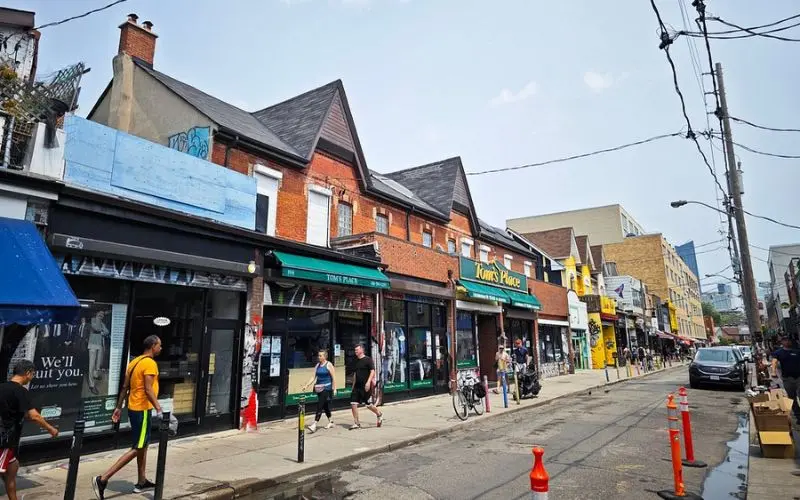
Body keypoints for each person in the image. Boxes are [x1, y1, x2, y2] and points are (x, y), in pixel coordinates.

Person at [92, 335, 162, 500]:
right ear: (152, 346)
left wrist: (118, 407)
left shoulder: (134, 362)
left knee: (142, 445)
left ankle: (141, 480)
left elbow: (125, 386)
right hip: (143, 408)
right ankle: (102, 479)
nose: (161, 348)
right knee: (138, 446)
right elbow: (148, 389)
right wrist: (159, 408)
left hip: (133, 407)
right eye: (159, 345)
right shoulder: (150, 363)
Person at [0, 360, 59, 500]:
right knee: (8, 470)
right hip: (4, 440)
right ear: (28, 373)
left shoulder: (1, 387)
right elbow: (35, 416)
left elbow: (22, 411)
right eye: (33, 374)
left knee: (12, 467)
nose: (32, 377)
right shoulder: (21, 391)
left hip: (6, 440)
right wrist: (51, 429)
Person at [301, 350, 337, 433]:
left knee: (320, 405)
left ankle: (314, 424)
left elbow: (334, 377)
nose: (319, 357)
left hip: (326, 388)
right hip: (319, 388)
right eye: (318, 355)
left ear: (325, 357)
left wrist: (334, 388)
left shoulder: (329, 365)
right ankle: (331, 422)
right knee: (325, 406)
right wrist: (306, 385)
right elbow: (313, 377)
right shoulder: (317, 365)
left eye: (321, 356)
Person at [349, 345, 382, 430]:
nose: (355, 351)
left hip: (365, 386)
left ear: (362, 350)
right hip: (357, 386)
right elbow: (355, 374)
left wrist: (368, 382)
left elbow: (372, 371)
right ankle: (357, 423)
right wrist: (353, 386)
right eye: (355, 350)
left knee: (368, 405)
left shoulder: (368, 360)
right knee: (353, 403)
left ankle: (378, 414)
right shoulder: (356, 361)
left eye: (357, 350)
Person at [770, 335, 800, 423]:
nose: (787, 342)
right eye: (785, 340)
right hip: (787, 378)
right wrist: (773, 371)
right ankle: (798, 416)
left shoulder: (797, 351)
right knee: (792, 398)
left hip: (799, 377)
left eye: (788, 340)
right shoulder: (779, 352)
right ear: (782, 342)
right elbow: (774, 361)